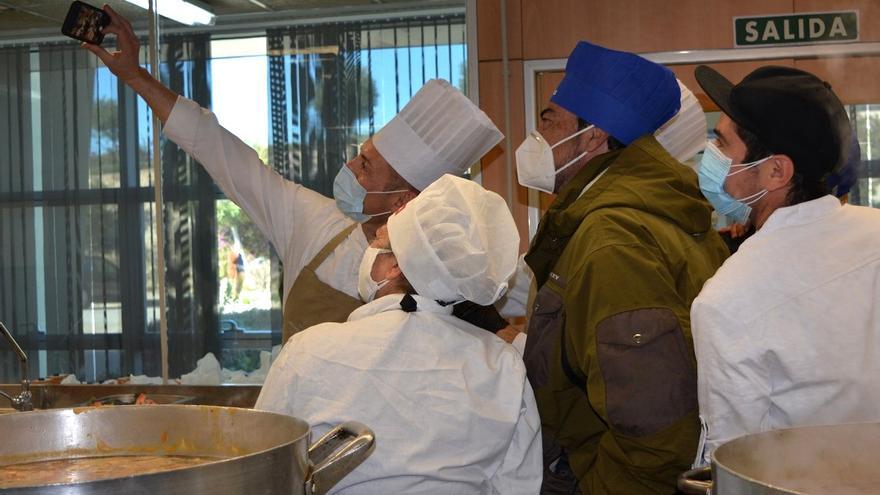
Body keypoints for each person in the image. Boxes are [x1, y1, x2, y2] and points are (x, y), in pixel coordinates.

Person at [82, 6, 503, 343]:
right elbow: (215, 146)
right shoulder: (312, 220)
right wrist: (135, 77)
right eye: (359, 156)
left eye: (366, 166)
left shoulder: (445, 270)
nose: (349, 168)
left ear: (402, 201)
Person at [513, 41, 729, 494]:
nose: (537, 133)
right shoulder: (637, 213)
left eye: (549, 118)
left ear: (592, 136)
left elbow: (654, 434)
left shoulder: (613, 239)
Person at [255, 175, 542, 494]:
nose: (368, 248)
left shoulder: (308, 351)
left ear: (393, 267)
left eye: (376, 241)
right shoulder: (503, 365)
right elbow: (520, 485)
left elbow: (261, 470)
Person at [690, 65, 880, 465]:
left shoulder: (727, 300)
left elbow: (731, 459)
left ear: (777, 171)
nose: (711, 155)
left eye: (722, 144)